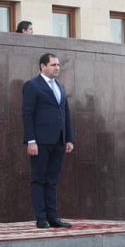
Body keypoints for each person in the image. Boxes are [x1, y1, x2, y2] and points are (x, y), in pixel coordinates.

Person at [22, 52, 74, 228]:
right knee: (39, 179)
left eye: (58, 65)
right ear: (43, 66)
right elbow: (27, 114)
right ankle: (41, 217)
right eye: (53, 65)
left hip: (59, 140)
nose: (57, 68)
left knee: (52, 180)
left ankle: (53, 217)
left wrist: (69, 138)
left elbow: (66, 113)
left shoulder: (60, 86)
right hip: (40, 141)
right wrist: (31, 140)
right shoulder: (32, 85)